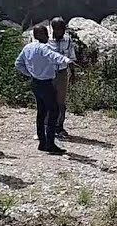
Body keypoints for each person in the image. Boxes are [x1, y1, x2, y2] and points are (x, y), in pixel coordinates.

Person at [15, 25, 74, 155]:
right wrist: (66, 60)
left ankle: (42, 141)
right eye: (45, 34)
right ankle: (50, 143)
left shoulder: (27, 47)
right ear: (40, 35)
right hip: (46, 83)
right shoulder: (44, 47)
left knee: (41, 111)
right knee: (53, 111)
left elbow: (18, 63)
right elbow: (52, 55)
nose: (48, 36)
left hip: (35, 82)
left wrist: (29, 73)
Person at [47, 17, 77, 137]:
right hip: (48, 73)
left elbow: (71, 57)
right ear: (53, 29)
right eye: (58, 29)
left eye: (62, 29)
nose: (61, 32)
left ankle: (59, 127)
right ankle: (47, 126)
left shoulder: (67, 40)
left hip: (62, 73)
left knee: (61, 101)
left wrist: (73, 74)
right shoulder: (46, 40)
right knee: (48, 100)